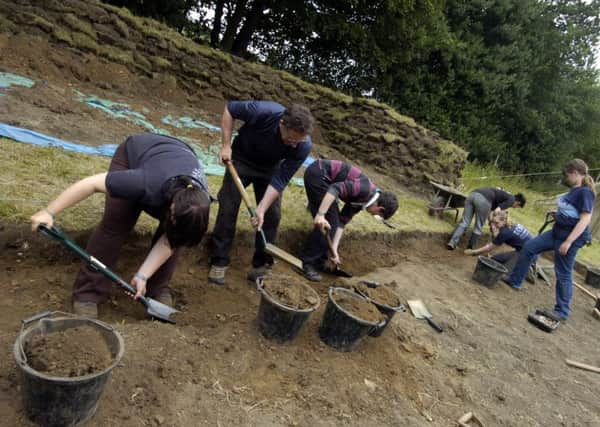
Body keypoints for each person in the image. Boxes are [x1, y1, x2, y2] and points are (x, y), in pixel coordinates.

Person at [30, 133, 211, 318]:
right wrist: (49, 212)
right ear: (171, 210)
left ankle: (157, 289)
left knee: (178, 236)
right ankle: (87, 294)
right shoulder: (144, 182)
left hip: (174, 160)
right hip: (135, 156)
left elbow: (172, 240)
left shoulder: (199, 203)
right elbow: (90, 184)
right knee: (116, 224)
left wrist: (142, 276)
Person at [208, 100, 314, 285]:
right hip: (241, 159)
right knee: (228, 206)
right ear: (282, 124)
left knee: (272, 215)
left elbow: (280, 180)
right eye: (291, 140)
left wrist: (261, 209)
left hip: (270, 169)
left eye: (299, 141)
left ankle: (260, 265)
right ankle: (219, 259)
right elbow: (229, 109)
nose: (295, 145)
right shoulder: (263, 112)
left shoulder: (303, 146)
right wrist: (226, 145)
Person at [502, 159, 595, 320]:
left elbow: (585, 219)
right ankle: (515, 280)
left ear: (575, 173)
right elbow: (571, 211)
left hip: (568, 238)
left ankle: (562, 311)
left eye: (567, 175)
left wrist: (569, 242)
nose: (565, 178)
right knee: (529, 247)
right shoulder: (574, 190)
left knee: (563, 273)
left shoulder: (585, 192)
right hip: (556, 232)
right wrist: (558, 214)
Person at [299, 159, 398, 281]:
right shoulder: (365, 190)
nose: (373, 216)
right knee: (329, 222)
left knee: (333, 224)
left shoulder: (362, 202)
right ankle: (308, 263)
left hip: (326, 182)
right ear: (380, 208)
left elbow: (342, 222)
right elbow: (335, 188)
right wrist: (321, 214)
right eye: (377, 215)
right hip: (318, 175)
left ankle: (319, 261)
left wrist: (334, 250)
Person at [464, 210, 536, 280]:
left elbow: (489, 247)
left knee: (504, 274)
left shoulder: (505, 232)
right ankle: (525, 265)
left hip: (528, 254)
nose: (495, 225)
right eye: (493, 222)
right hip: (529, 250)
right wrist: (494, 228)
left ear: (504, 221)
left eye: (496, 223)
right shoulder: (511, 224)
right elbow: (498, 238)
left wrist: (474, 252)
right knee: (495, 259)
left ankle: (526, 269)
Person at [447, 187, 526, 250]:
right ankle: (470, 248)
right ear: (518, 203)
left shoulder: (504, 195)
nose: (515, 207)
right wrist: (494, 224)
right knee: (478, 226)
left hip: (473, 194)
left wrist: (490, 221)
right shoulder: (511, 200)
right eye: (517, 207)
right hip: (484, 200)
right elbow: (496, 211)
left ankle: (452, 243)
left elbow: (489, 212)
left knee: (465, 222)